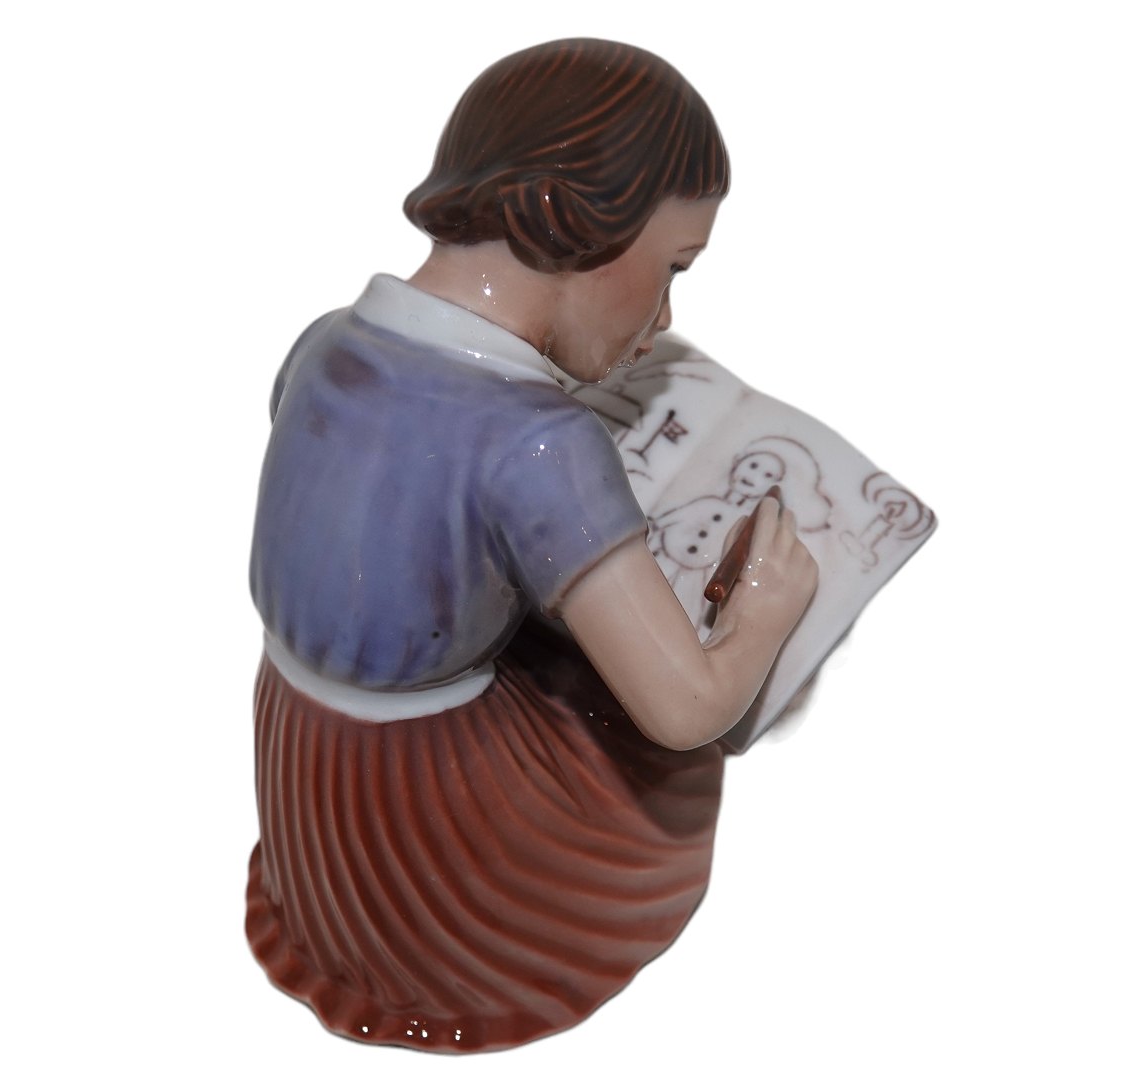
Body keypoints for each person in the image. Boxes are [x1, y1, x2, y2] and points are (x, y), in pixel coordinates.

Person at [246, 38, 819, 1052]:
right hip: (428, 817)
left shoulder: (323, 341)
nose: (665, 318)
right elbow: (685, 708)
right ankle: (474, 950)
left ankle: (334, 919)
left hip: (296, 759)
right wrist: (766, 609)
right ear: (567, 220)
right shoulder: (538, 441)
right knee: (648, 770)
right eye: (671, 268)